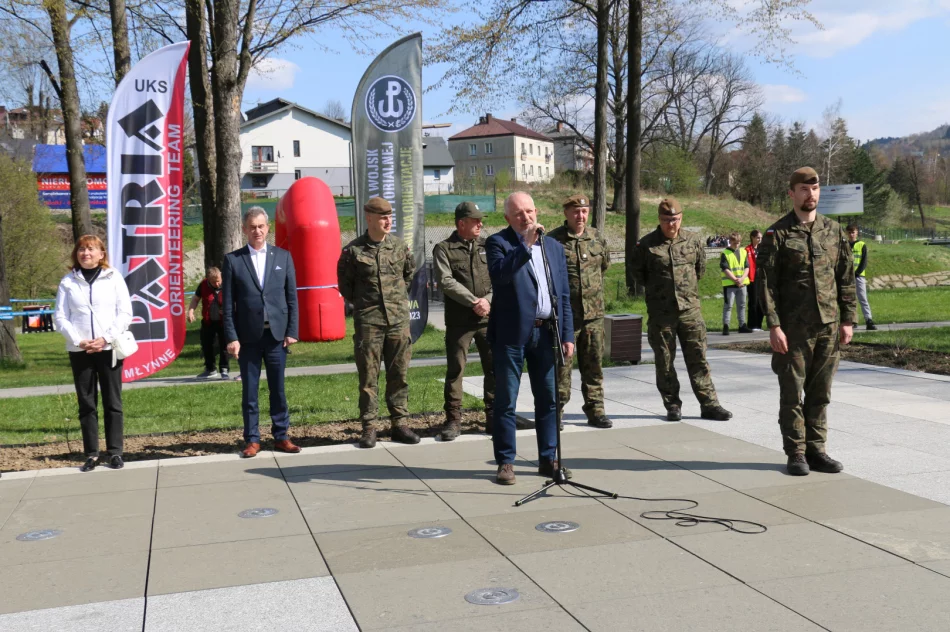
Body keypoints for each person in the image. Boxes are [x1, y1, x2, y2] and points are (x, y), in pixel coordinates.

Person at [757, 167, 856, 476]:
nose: (810, 194)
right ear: (792, 193)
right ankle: (796, 452)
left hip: (828, 326)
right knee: (791, 393)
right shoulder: (778, 234)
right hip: (793, 330)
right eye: (803, 189)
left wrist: (848, 319)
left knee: (821, 393)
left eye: (814, 189)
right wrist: (774, 325)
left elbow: (846, 278)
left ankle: (817, 449)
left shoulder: (834, 231)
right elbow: (765, 284)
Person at [487, 191, 575, 486]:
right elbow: (500, 276)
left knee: (549, 400)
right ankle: (506, 462)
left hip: (546, 333)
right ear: (507, 219)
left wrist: (566, 333)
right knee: (506, 401)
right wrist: (524, 244)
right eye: (518, 214)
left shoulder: (553, 247)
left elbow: (562, 294)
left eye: (529, 211)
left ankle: (548, 458)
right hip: (511, 336)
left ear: (536, 211)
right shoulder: (498, 243)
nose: (526, 217)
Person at [630, 198, 733, 423]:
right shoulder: (646, 245)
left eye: (675, 219)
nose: (672, 225)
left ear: (681, 218)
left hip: (690, 312)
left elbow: (700, 270)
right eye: (667, 220)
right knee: (664, 361)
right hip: (661, 314)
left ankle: (709, 404)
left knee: (698, 359)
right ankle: (672, 404)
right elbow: (639, 275)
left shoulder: (693, 241)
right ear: (659, 219)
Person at [337, 197, 420, 449]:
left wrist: (394, 302)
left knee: (399, 374)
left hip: (397, 321)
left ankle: (399, 423)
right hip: (369, 322)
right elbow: (346, 288)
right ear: (369, 217)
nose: (388, 221)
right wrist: (368, 306)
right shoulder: (353, 252)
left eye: (390, 217)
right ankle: (369, 427)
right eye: (383, 217)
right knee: (368, 377)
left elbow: (408, 276)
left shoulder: (399, 246)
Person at [223, 207, 301, 458]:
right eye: (252, 226)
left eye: (261, 226)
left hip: (277, 336)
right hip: (248, 338)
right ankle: (252, 439)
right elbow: (227, 305)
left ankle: (281, 436)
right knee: (250, 391)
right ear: (245, 229)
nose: (257, 230)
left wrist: (292, 330)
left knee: (278, 389)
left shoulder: (283, 257)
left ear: (268, 228)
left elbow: (291, 298)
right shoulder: (233, 260)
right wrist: (232, 337)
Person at [54, 235, 133, 472]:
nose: (85, 253)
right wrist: (80, 341)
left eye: (91, 249)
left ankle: (115, 452)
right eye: (81, 249)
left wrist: (105, 339)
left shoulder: (113, 278)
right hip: (80, 350)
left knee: (112, 401)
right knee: (87, 403)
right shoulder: (68, 282)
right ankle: (91, 453)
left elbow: (125, 312)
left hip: (108, 348)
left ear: (101, 254)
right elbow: (60, 317)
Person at [432, 201, 495, 441]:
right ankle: (454, 419)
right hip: (460, 322)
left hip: (489, 320)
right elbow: (446, 281)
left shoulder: (488, 245)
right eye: (475, 220)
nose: (480, 223)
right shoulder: (444, 248)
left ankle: (493, 416)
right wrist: (474, 302)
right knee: (456, 370)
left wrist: (487, 301)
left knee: (494, 368)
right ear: (461, 223)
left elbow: (499, 278)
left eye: (481, 220)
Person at [549, 194, 612, 430]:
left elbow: (603, 267)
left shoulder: (597, 238)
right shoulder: (553, 241)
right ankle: (556, 412)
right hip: (566, 318)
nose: (581, 216)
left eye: (584, 211)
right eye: (576, 211)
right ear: (566, 212)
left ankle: (596, 410)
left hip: (593, 316)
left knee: (594, 365)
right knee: (561, 368)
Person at [188, 267, 230, 379]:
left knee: (224, 346)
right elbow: (195, 299)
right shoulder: (203, 285)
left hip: (224, 322)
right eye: (213, 282)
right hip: (208, 321)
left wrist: (228, 310)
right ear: (208, 280)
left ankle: (224, 369)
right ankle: (210, 369)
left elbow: (236, 300)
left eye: (218, 281)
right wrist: (191, 311)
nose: (217, 284)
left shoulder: (228, 283)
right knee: (207, 345)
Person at [720, 231, 752, 335]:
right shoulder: (725, 253)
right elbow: (725, 268)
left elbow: (747, 266)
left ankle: (742, 325)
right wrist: (735, 279)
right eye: (734, 243)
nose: (737, 245)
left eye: (738, 243)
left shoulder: (743, 252)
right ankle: (726, 325)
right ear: (730, 242)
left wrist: (742, 278)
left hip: (742, 283)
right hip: (730, 284)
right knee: (728, 306)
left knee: (742, 305)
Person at [846, 224, 877, 330]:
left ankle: (869, 320)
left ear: (857, 232)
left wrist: (857, 273)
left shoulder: (861, 245)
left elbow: (864, 261)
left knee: (862, 298)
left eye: (853, 232)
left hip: (859, 276)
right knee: (850, 300)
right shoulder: (844, 245)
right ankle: (853, 321)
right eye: (849, 232)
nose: (851, 234)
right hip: (847, 277)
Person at [745, 230, 764, 331]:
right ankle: (752, 325)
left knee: (761, 302)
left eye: (761, 238)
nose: (760, 240)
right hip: (752, 278)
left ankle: (759, 324)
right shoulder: (747, 249)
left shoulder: (762, 249)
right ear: (752, 237)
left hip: (762, 278)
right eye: (758, 238)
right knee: (753, 302)